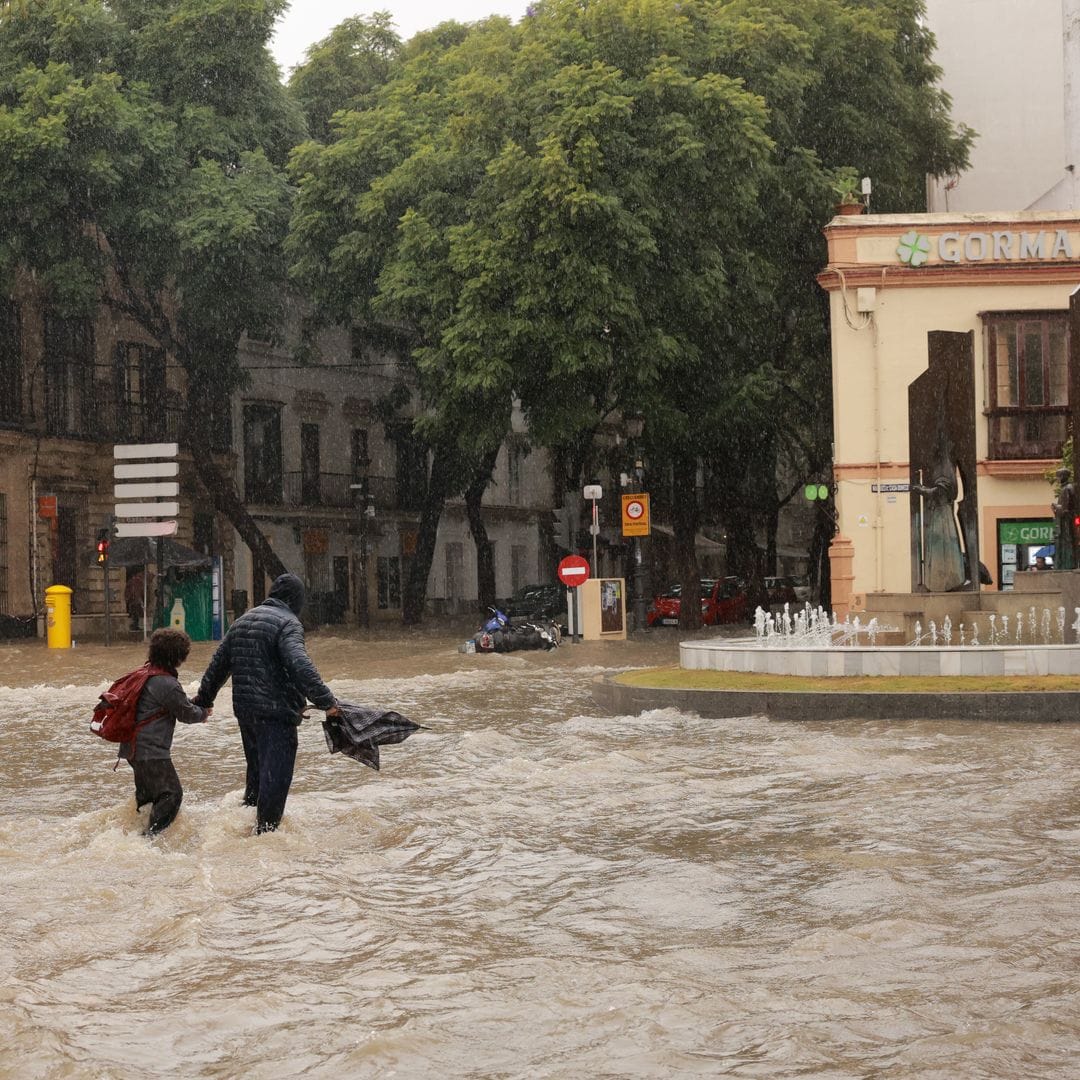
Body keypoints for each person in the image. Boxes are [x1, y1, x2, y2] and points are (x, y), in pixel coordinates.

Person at [194, 573, 339, 834]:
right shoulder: (288, 623)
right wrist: (327, 701)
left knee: (258, 774)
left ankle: (241, 829)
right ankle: (265, 837)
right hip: (276, 716)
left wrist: (204, 701)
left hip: (246, 713)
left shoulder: (241, 621)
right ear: (296, 601)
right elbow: (299, 664)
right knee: (276, 778)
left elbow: (218, 665)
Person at [120, 628, 211, 835]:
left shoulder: (145, 673)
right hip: (151, 752)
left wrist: (194, 707)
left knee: (148, 799)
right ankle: (149, 840)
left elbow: (172, 704)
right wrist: (203, 713)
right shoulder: (167, 683)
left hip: (132, 749)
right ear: (177, 656)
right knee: (172, 794)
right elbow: (186, 714)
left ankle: (134, 836)